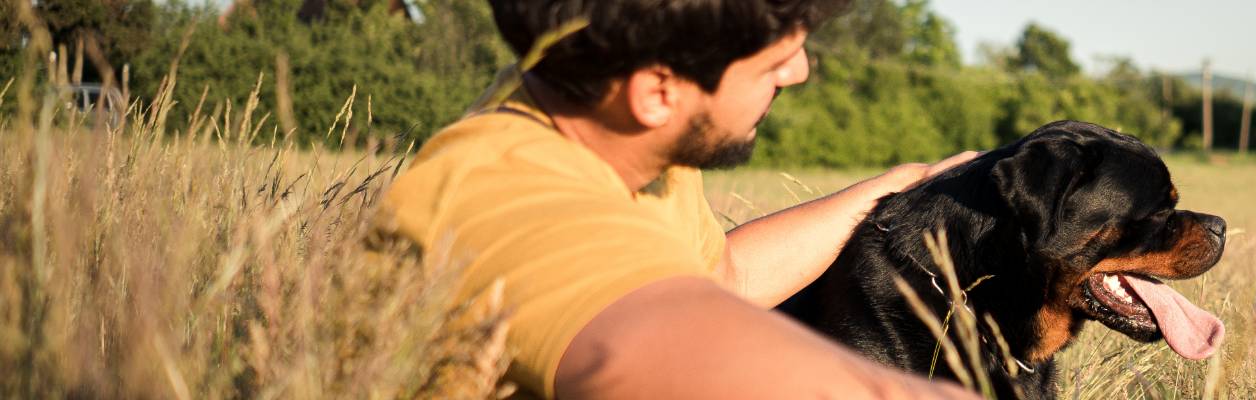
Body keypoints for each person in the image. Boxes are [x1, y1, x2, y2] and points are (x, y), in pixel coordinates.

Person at [378, 0, 980, 398]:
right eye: (774, 60)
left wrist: (904, 186)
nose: (797, 72)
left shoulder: (610, 129)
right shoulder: (507, 200)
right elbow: (727, 373)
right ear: (658, 92)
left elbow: (723, 277)